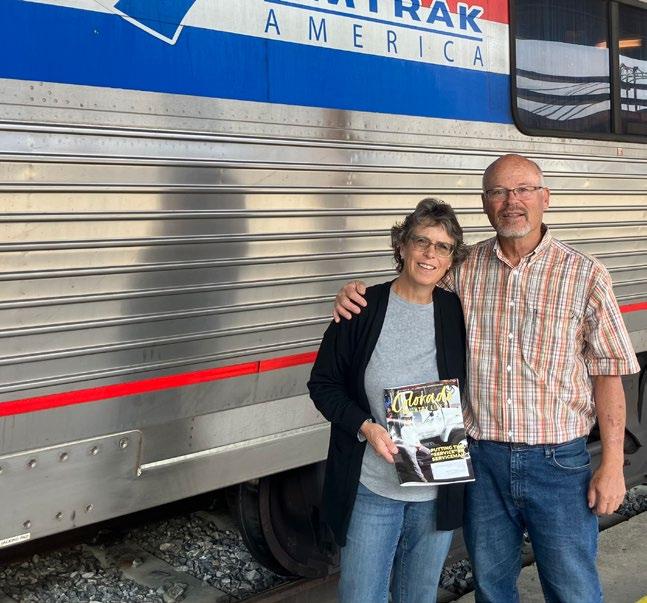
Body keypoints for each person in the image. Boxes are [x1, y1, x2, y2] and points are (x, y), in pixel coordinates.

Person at [333, 154, 640, 603]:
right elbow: (414, 285)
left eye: (523, 190)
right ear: (485, 203)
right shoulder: (464, 267)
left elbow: (608, 372)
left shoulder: (585, 273)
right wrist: (356, 295)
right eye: (498, 191)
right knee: (492, 590)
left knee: (572, 589)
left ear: (545, 198)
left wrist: (612, 465)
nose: (511, 201)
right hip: (482, 461)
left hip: (557, 464)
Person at [308, 198, 468, 603]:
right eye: (421, 241)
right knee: (361, 595)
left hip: (435, 490)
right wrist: (364, 426)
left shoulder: (457, 313)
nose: (430, 254)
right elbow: (323, 384)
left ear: (451, 259)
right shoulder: (361, 309)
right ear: (402, 245)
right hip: (373, 488)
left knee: (418, 596)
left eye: (442, 247)